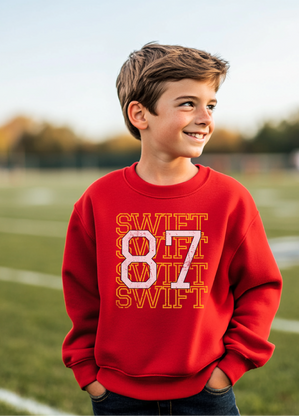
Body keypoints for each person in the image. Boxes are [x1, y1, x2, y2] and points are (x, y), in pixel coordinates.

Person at [62, 42, 282, 416]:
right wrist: (89, 375)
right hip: (117, 397)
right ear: (140, 114)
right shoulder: (98, 200)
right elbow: (82, 293)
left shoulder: (230, 198)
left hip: (206, 393)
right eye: (187, 104)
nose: (205, 117)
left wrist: (228, 370)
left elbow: (260, 285)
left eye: (210, 105)